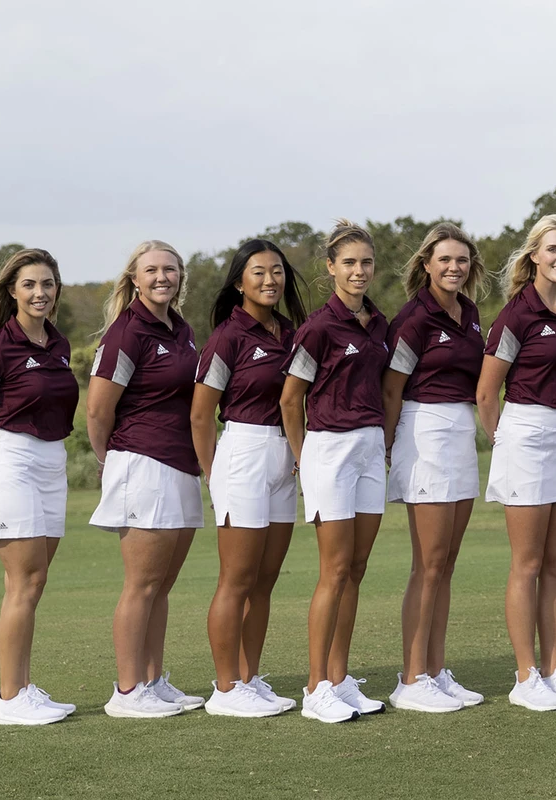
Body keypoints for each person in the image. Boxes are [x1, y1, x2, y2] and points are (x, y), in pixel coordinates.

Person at [0, 249, 79, 725]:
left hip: (53, 463)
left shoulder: (60, 344)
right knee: (24, 583)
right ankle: (9, 699)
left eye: (47, 284)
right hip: (13, 461)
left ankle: (23, 688)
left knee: (32, 582)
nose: (39, 293)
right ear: (12, 291)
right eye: (29, 284)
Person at [477, 214, 556, 712]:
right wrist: (505, 443)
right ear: (534, 256)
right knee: (527, 563)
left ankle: (552, 669)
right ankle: (525, 676)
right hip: (524, 432)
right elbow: (485, 394)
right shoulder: (515, 316)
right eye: (553, 250)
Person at [88, 240, 206, 718]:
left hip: (180, 466)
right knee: (141, 584)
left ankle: (153, 681)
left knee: (161, 586)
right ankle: (127, 690)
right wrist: (111, 459)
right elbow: (98, 410)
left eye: (170, 270)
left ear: (180, 277)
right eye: (152, 270)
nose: (162, 277)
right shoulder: (126, 332)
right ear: (134, 279)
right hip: (143, 464)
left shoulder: (182, 329)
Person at [191, 239, 308, 717]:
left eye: (277, 271)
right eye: (258, 272)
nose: (269, 280)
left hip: (284, 455)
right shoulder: (227, 337)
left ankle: (249, 678)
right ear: (239, 281)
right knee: (236, 579)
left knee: (265, 580)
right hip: (243, 452)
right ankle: (225, 689)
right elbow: (200, 416)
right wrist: (214, 475)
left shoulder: (292, 332)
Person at [280, 220, 389, 724]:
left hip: (370, 448)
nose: (359, 271)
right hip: (329, 450)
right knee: (335, 570)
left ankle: (340, 680)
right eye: (349, 262)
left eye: (366, 262)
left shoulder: (380, 323)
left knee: (358, 569)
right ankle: (314, 685)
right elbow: (289, 400)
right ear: (331, 268)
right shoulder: (318, 327)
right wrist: (304, 460)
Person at [382, 223, 488, 713]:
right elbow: (391, 389)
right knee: (427, 563)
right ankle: (411, 678)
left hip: (460, 433)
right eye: (444, 260)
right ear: (426, 264)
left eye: (461, 260)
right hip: (423, 432)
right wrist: (385, 447)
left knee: (445, 564)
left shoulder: (469, 313)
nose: (453, 267)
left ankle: (436, 670)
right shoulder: (413, 319)